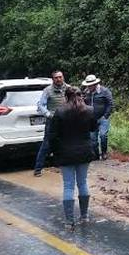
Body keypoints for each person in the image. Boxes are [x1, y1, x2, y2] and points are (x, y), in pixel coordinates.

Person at [46, 86, 97, 227]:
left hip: (65, 152)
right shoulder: (89, 110)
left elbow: (53, 135)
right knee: (83, 183)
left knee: (68, 186)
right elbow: (93, 128)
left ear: (66, 97)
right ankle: (84, 216)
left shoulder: (60, 112)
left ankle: (69, 220)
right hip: (84, 151)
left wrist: (53, 152)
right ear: (80, 96)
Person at [34, 70, 70, 177]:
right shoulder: (48, 90)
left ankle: (64, 166)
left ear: (63, 77)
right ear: (53, 79)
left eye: (60, 77)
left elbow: (74, 101)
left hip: (65, 119)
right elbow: (40, 105)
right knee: (46, 144)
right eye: (56, 78)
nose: (58, 79)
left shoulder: (68, 88)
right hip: (53, 120)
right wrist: (48, 114)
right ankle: (38, 169)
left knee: (65, 143)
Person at [81, 74, 114, 160]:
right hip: (91, 119)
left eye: (91, 85)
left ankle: (104, 152)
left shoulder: (105, 91)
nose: (89, 87)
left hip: (102, 118)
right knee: (93, 139)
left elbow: (110, 104)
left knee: (103, 135)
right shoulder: (85, 92)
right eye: (88, 85)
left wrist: (106, 115)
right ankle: (96, 155)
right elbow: (83, 104)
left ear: (95, 84)